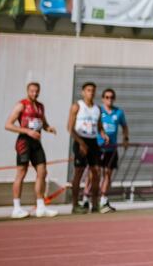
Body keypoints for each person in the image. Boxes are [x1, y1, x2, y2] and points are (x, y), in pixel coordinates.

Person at [5, 81, 58, 219]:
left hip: (37, 143)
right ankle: (16, 208)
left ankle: (41, 207)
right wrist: (27, 131)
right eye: (32, 91)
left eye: (37, 91)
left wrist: (49, 128)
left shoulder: (40, 107)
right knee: (21, 173)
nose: (34, 93)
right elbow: (8, 125)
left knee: (42, 172)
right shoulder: (21, 104)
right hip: (24, 142)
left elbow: (44, 124)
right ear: (27, 91)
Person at [67, 81, 106, 214]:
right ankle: (74, 205)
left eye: (93, 90)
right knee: (78, 172)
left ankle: (95, 204)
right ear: (83, 92)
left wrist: (103, 134)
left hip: (93, 141)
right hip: (80, 141)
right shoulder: (77, 106)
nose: (91, 92)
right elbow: (70, 129)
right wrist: (81, 143)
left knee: (96, 172)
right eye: (89, 90)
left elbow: (99, 125)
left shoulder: (97, 109)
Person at [96, 88, 129, 213]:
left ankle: (103, 200)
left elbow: (124, 126)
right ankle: (87, 199)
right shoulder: (98, 111)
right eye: (106, 97)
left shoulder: (118, 112)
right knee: (94, 173)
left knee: (108, 174)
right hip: (98, 147)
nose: (109, 99)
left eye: (111, 97)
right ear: (103, 98)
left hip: (112, 148)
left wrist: (125, 138)